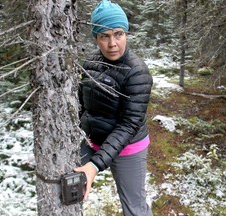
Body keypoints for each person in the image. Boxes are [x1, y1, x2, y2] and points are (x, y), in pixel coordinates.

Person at [74, 0, 153, 215]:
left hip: (128, 147)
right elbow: (82, 103)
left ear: (126, 34)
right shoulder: (90, 62)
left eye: (118, 34)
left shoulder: (137, 73)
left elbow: (128, 125)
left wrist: (94, 165)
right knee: (66, 183)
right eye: (104, 36)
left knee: (134, 208)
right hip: (93, 141)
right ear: (96, 38)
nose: (112, 44)